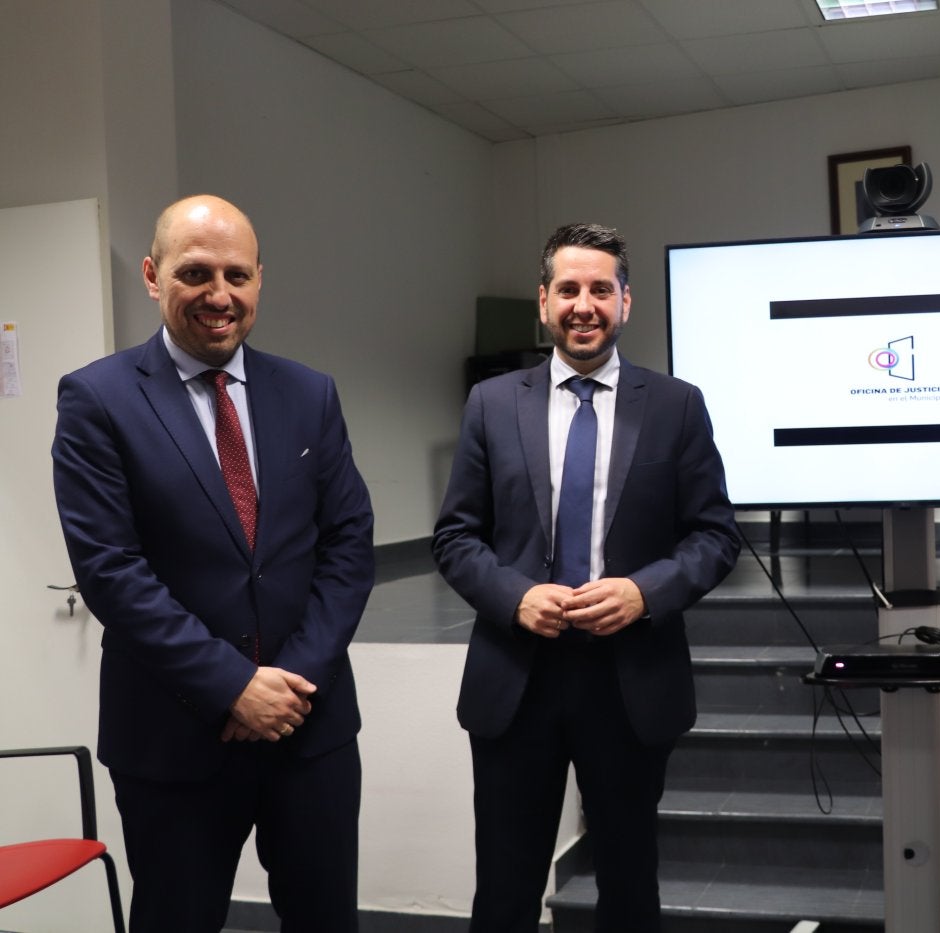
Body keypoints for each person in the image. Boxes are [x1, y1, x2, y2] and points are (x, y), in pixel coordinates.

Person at [52, 195, 375, 932]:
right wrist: (233, 686)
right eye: (195, 273)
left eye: (237, 275)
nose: (219, 295)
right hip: (173, 736)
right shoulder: (98, 399)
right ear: (152, 275)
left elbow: (349, 543)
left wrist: (291, 682)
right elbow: (111, 570)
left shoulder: (310, 393)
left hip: (309, 724)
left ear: (260, 279)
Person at [433, 222, 740, 932]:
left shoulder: (676, 405)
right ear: (543, 302)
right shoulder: (491, 404)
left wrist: (643, 592)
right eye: (568, 289)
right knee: (504, 891)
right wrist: (515, 595)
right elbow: (455, 536)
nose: (584, 305)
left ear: (625, 302)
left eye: (601, 289)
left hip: (629, 682)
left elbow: (716, 535)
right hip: (517, 681)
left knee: (629, 888)